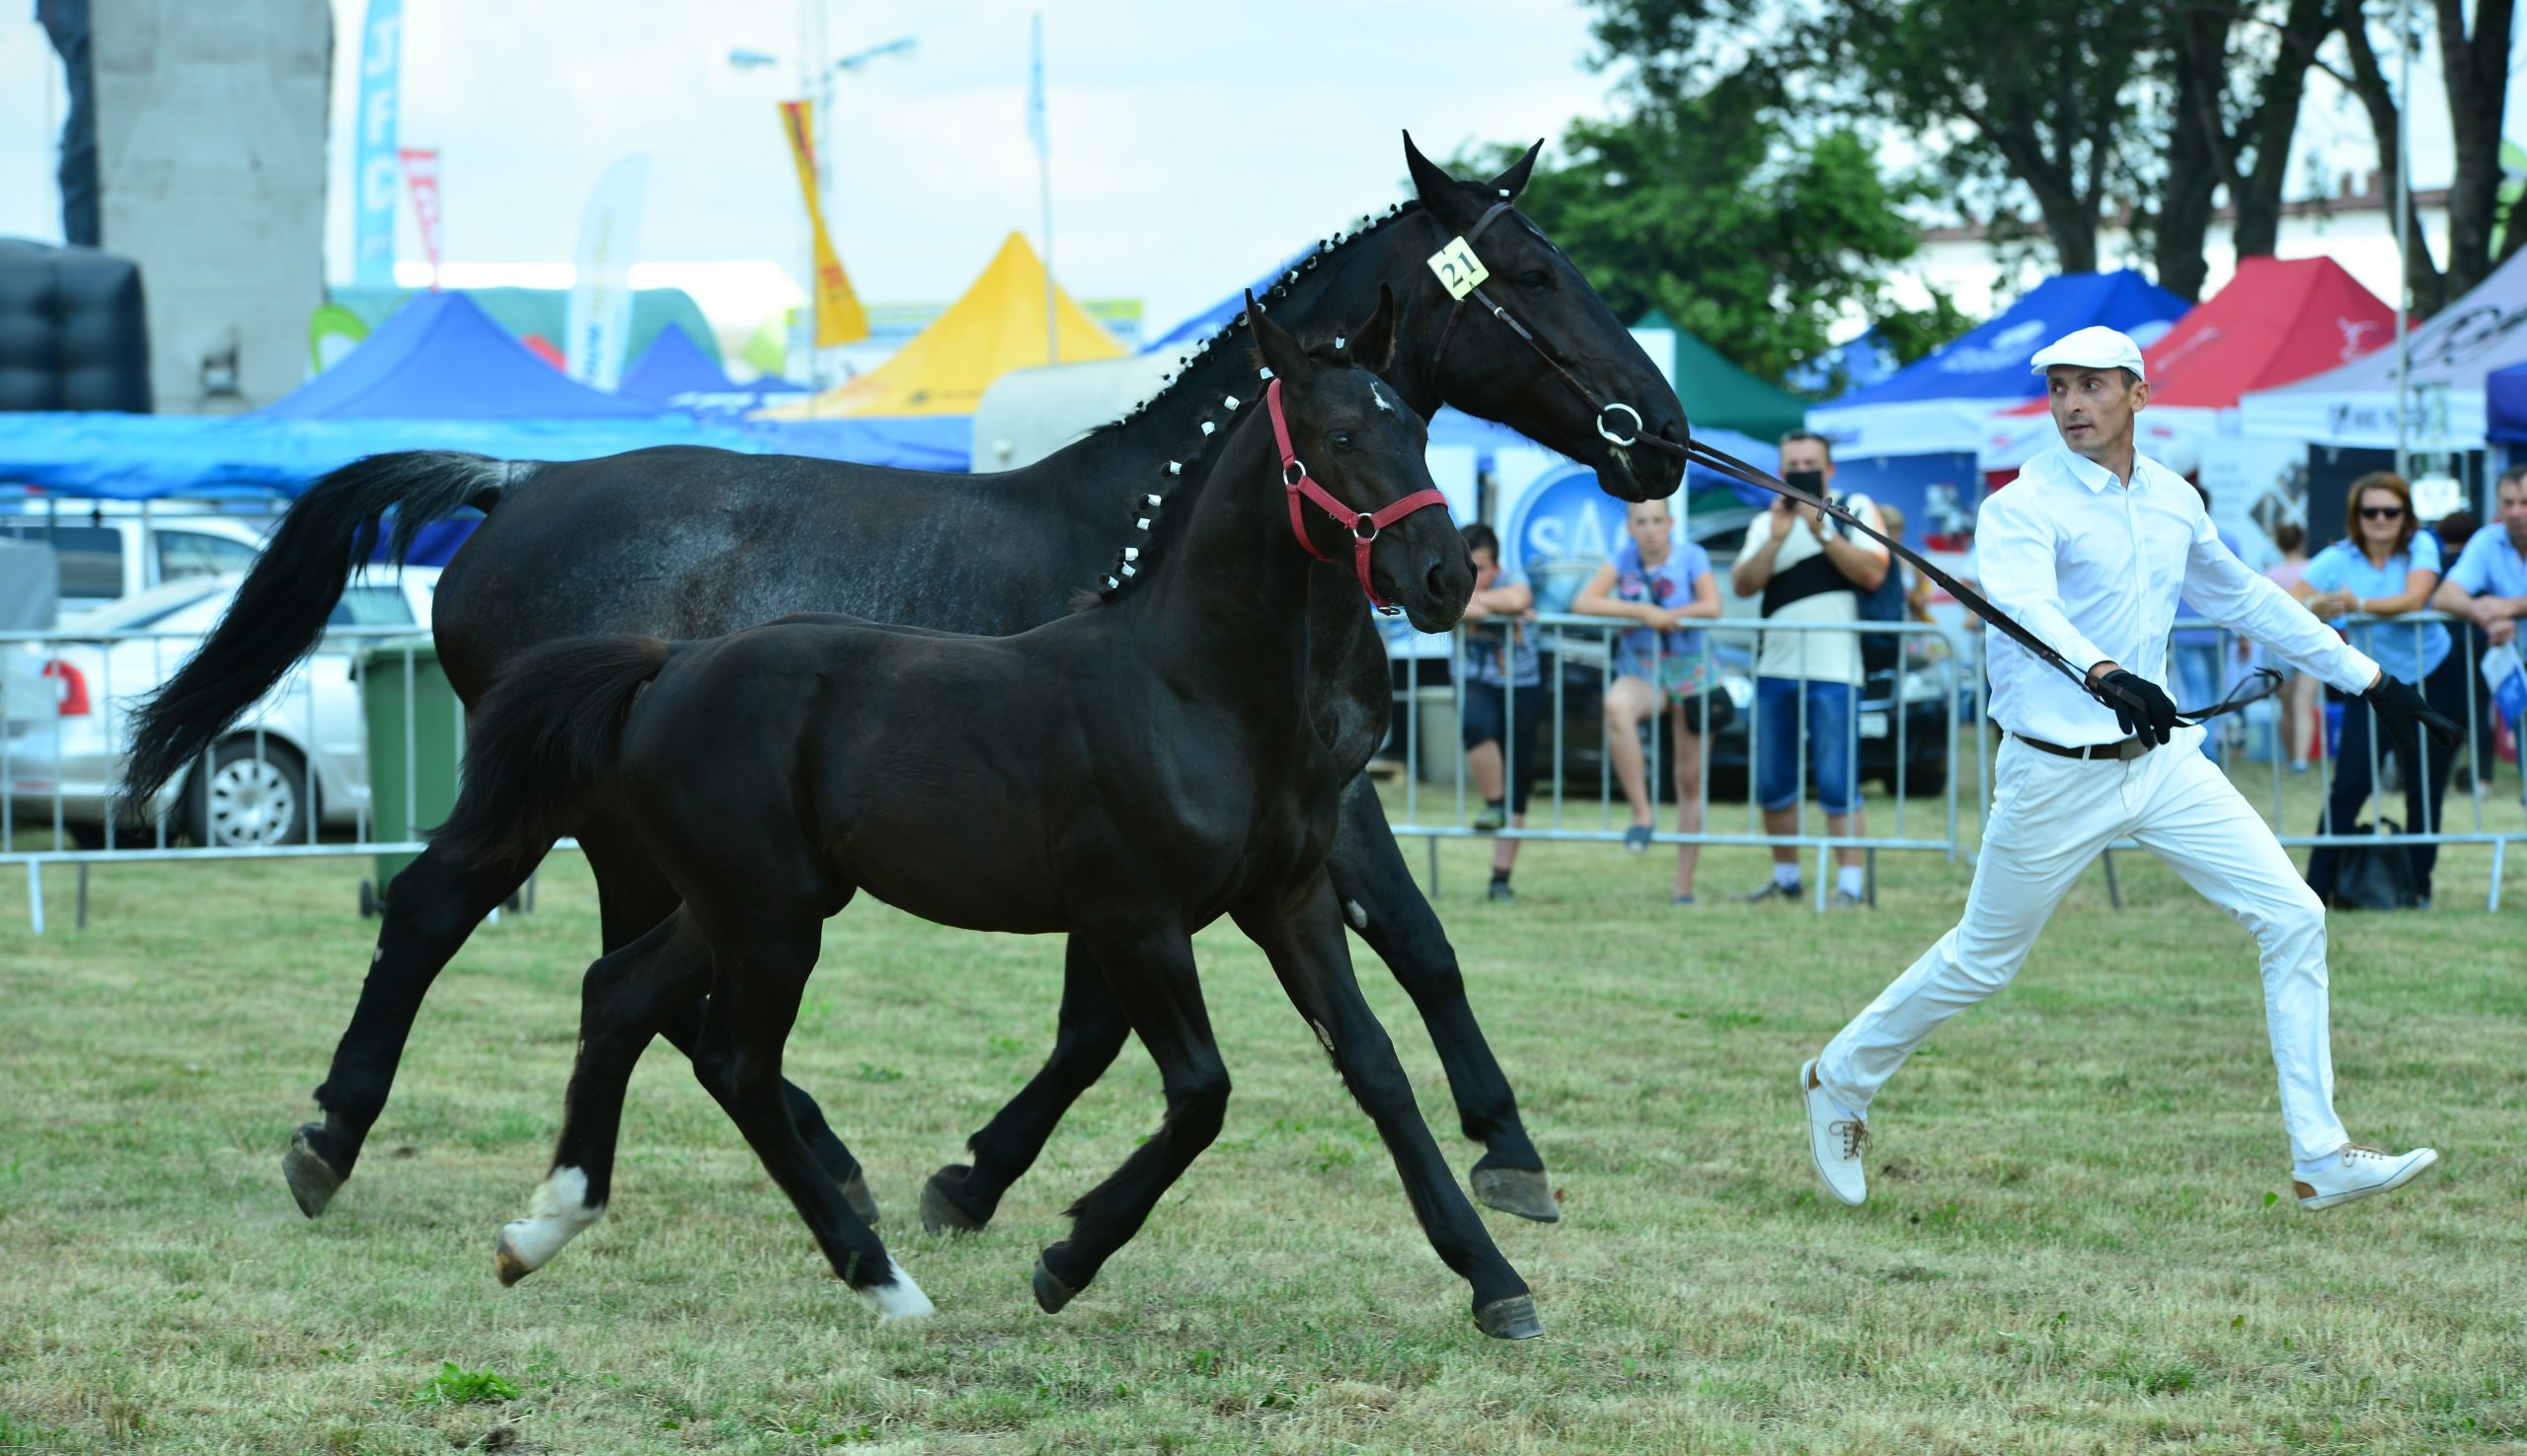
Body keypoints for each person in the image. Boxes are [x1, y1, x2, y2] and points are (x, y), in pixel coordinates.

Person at [1800, 325, 2450, 1215]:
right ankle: (1839, 1076)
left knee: (2294, 913)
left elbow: (2245, 596)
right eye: (2060, 387)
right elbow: (2026, 607)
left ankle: (2322, 1153)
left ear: (2137, 395)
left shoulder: (2174, 498)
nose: (2072, 403)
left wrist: (2367, 675)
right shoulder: (2020, 504)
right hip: (2055, 772)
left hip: (2164, 762)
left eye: (2092, 386)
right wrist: (2104, 673)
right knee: (1983, 962)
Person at [1729, 430, 1889, 908]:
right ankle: (1786, 878)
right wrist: (1777, 539)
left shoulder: (1856, 507)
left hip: (1836, 670)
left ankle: (1850, 885)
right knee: (1774, 779)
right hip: (1775, 668)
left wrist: (1821, 528)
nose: (1800, 471)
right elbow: (1743, 584)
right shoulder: (1766, 522)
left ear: (1830, 470)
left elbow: (1872, 572)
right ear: (1781, 472)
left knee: (1838, 779)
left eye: (1809, 463)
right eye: (1792, 464)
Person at [2292, 472, 2464, 907]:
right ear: (2357, 516)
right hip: (2372, 683)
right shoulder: (2340, 557)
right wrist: (2316, 604)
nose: (2381, 519)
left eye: (2392, 511)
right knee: (2349, 786)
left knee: (2425, 788)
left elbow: (2414, 598)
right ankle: (2315, 891)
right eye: (2371, 511)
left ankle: (2416, 889)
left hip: (2434, 677)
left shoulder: (2422, 546)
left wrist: (2355, 605)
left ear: (2406, 516)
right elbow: (2289, 598)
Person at [1574, 497, 1723, 903]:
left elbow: (1713, 606)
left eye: (1657, 520)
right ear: (1630, 527)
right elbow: (1584, 602)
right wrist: (1642, 611)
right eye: (1641, 521)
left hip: (1693, 673)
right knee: (1616, 706)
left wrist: (1670, 616)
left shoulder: (1692, 555)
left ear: (1671, 522)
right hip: (1643, 670)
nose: (1650, 528)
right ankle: (1643, 813)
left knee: (1689, 781)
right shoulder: (1623, 558)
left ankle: (1683, 886)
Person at [1458, 523, 1541, 903]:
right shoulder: (1455, 580)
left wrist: (1478, 604)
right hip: (1479, 680)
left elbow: (1519, 596)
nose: (1478, 578)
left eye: (1484, 570)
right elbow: (1460, 609)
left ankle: (1500, 878)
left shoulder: (1516, 576)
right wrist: (1499, 605)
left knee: (1519, 786)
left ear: (1498, 564)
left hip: (1523, 686)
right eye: (1470, 571)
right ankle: (1492, 804)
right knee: (1476, 724)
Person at [2432, 467, 2527, 785]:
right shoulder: (2488, 540)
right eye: (2508, 502)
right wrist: (2482, 611)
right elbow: (2444, 597)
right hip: (2513, 663)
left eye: (2525, 502)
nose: (2515, 511)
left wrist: (2509, 607)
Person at [2262, 522, 2321, 772]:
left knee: (2286, 706)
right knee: (2303, 704)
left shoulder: (2271, 574)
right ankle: (2300, 760)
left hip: (2278, 645)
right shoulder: (2314, 569)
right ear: (2301, 541)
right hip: (2309, 642)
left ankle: (2291, 758)